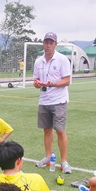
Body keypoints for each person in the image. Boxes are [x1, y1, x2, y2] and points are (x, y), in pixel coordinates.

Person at [33, 32, 73, 174]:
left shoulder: (62, 60)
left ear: (55, 44)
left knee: (60, 130)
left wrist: (52, 84)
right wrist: (37, 84)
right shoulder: (39, 61)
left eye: (51, 43)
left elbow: (67, 81)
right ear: (43, 43)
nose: (48, 45)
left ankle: (64, 161)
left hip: (59, 100)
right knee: (46, 129)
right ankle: (48, 157)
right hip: (44, 100)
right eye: (46, 42)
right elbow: (35, 80)